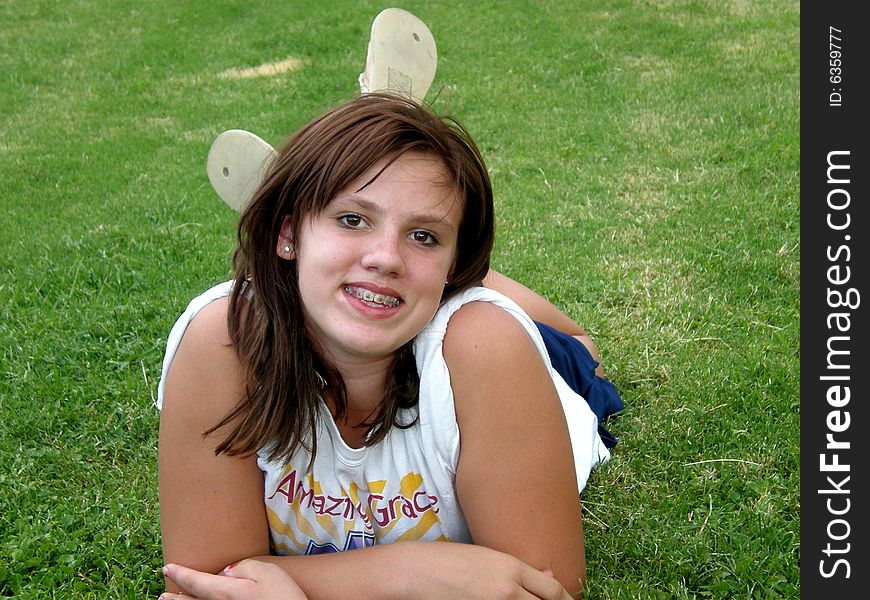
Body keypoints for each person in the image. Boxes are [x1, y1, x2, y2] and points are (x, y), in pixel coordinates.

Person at [157, 93, 622, 599]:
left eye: (423, 235)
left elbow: (543, 591)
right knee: (390, 278)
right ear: (287, 232)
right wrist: (411, 575)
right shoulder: (223, 339)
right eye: (352, 218)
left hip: (548, 377)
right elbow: (202, 583)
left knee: (575, 348)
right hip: (415, 308)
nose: (385, 256)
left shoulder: (488, 351)